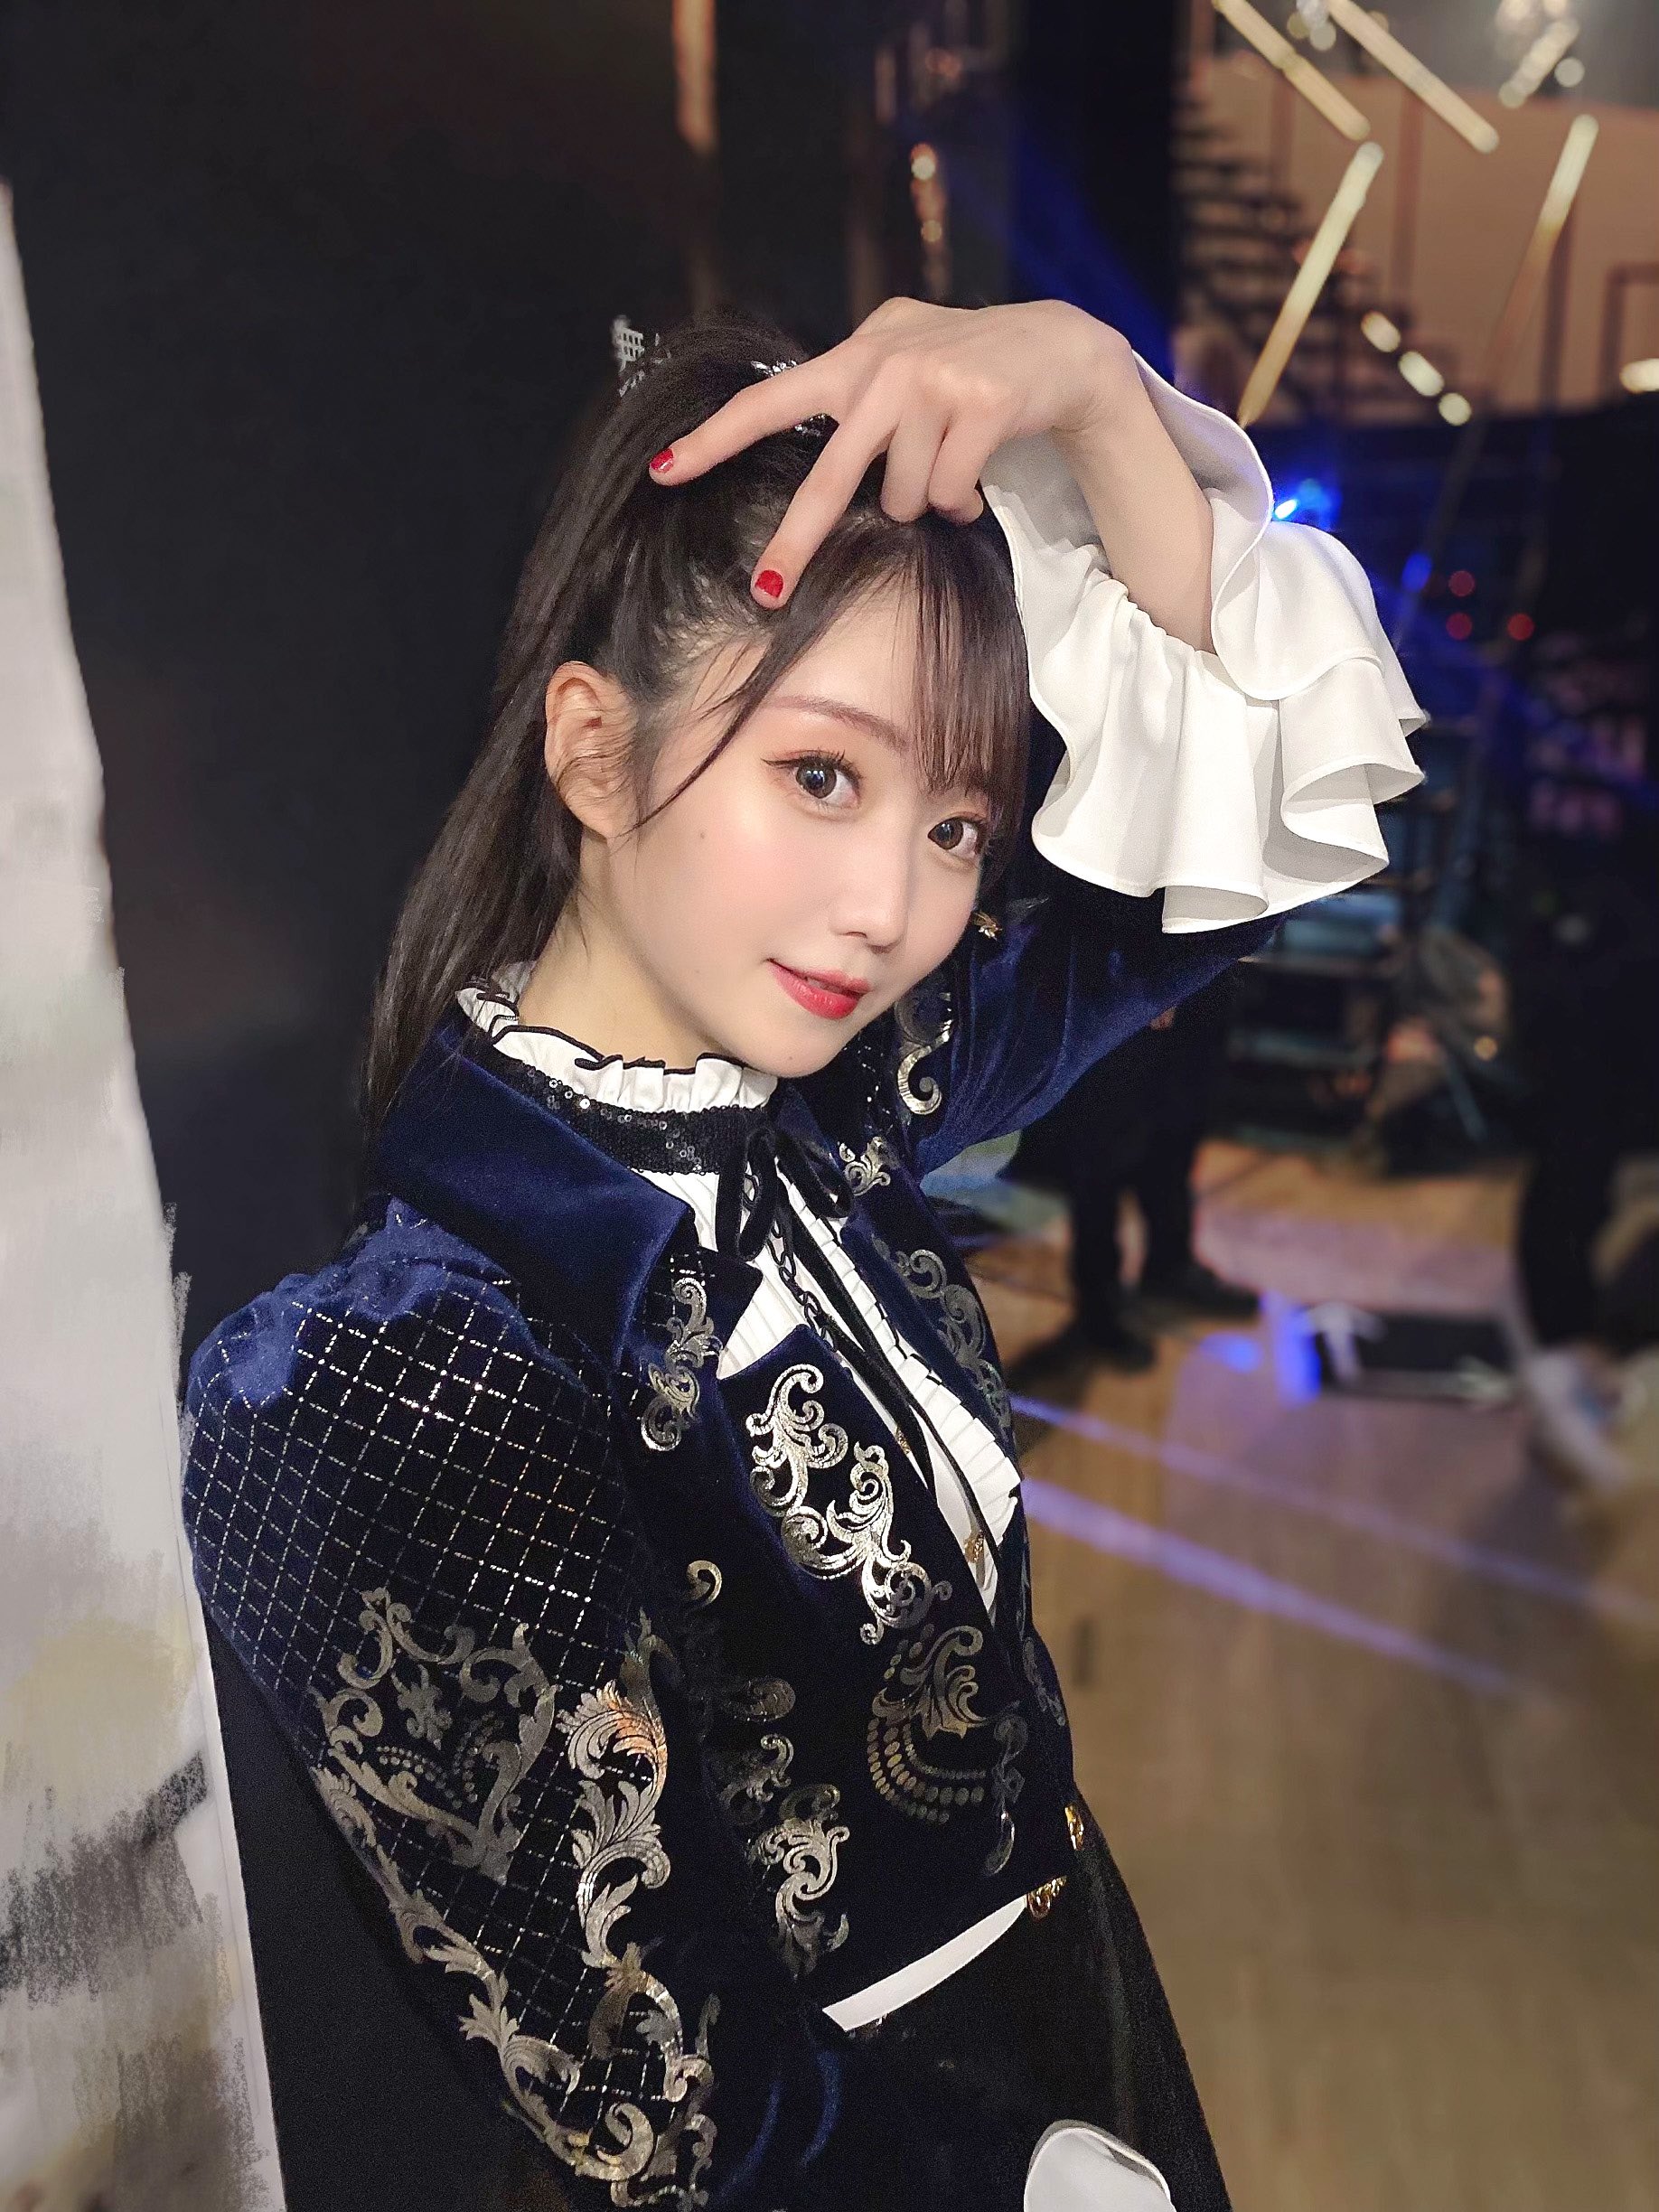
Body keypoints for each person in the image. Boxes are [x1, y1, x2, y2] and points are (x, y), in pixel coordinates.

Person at [182, 299, 1421, 2211]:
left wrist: (1093, 388)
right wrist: (1014, 2181)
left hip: (1078, 2021)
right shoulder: (396, 1367)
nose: (892, 909)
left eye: (956, 823)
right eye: (823, 778)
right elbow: (644, 2067)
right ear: (594, 752)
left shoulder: (830, 1101)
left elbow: (1202, 877)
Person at [1017, 971, 1258, 1373]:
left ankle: (1168, 1268)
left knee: (1178, 1131)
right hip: (1137, 984)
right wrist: (1155, 982)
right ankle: (1099, 1309)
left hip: (1204, 979)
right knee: (1103, 1153)